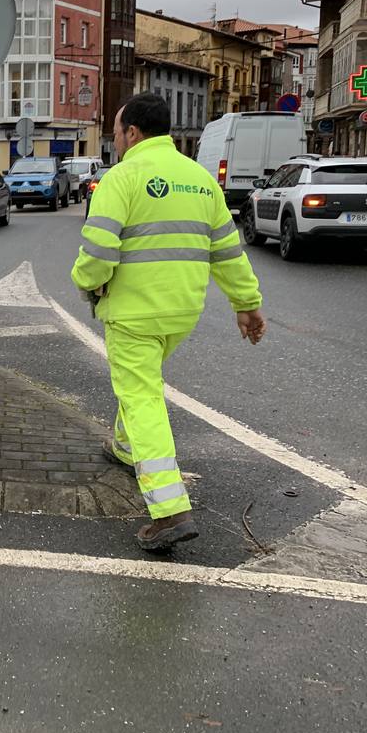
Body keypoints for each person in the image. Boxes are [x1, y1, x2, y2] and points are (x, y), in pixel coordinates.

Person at [71, 93, 266, 551]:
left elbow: (97, 255)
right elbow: (227, 251)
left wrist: (86, 283)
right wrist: (247, 303)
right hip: (181, 310)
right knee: (140, 383)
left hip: (133, 311)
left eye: (117, 132)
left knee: (141, 397)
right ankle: (123, 447)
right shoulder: (201, 180)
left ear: (132, 133)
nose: (116, 140)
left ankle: (168, 509)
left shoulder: (122, 178)